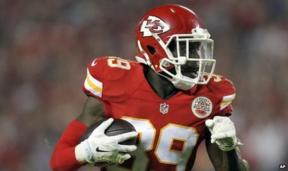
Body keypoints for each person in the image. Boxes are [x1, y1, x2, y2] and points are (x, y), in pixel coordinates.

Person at [50, 4, 249, 171]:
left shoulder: (210, 96)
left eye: (197, 47)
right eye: (186, 47)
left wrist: (229, 148)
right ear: (153, 48)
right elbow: (58, 162)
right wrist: (86, 152)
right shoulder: (114, 81)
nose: (196, 58)